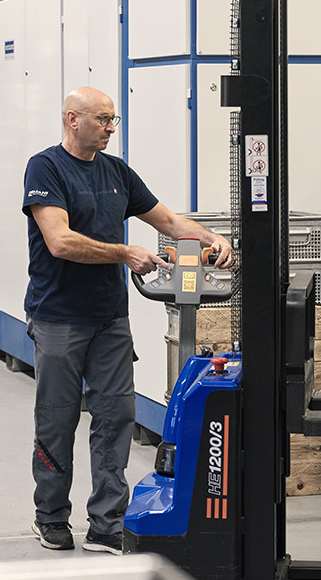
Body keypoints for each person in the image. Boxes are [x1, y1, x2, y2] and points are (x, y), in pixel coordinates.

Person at [21, 86, 234, 553]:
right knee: (56, 421)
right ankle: (51, 516)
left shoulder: (117, 173)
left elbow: (169, 222)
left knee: (116, 417)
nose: (110, 128)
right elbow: (59, 241)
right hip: (58, 317)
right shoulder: (46, 168)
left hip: (109, 318)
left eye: (114, 120)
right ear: (73, 119)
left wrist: (213, 238)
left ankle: (106, 522)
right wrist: (123, 253)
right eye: (102, 120)